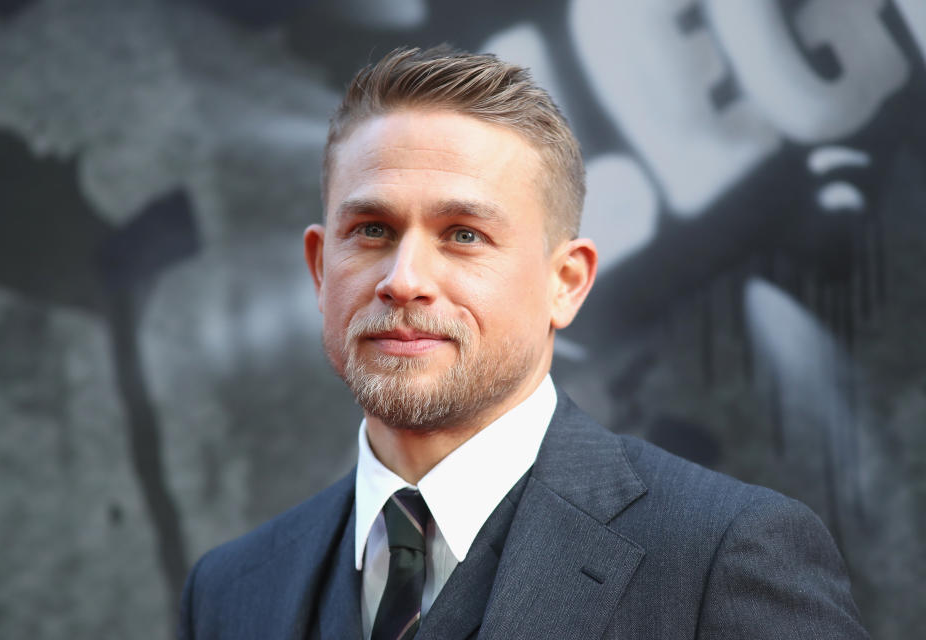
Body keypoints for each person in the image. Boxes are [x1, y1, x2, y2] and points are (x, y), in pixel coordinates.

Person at [178, 46, 868, 639]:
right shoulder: (230, 590)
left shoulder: (725, 555)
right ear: (320, 267)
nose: (405, 279)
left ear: (565, 283)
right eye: (372, 231)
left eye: (464, 234)